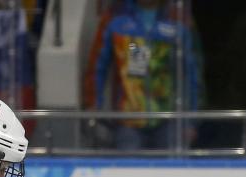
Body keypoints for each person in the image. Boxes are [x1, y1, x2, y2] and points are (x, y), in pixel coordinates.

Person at [84, 0, 203, 151]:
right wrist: (94, 104)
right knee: (129, 172)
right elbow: (97, 67)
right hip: (127, 122)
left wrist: (191, 120)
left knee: (170, 173)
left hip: (169, 121)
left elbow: (192, 74)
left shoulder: (179, 19)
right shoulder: (115, 18)